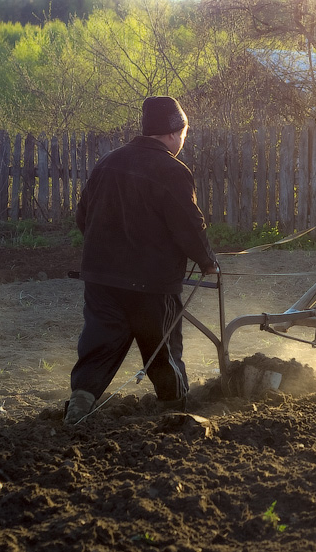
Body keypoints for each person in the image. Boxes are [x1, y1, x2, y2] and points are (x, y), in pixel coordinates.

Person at [64, 96, 220, 425]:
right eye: (184, 133)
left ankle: (81, 400)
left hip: (101, 278)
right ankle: (174, 407)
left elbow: (83, 216)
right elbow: (188, 225)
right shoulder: (173, 170)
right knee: (162, 349)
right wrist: (207, 261)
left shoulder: (107, 163)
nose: (183, 140)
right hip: (151, 283)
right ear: (174, 132)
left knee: (99, 343)